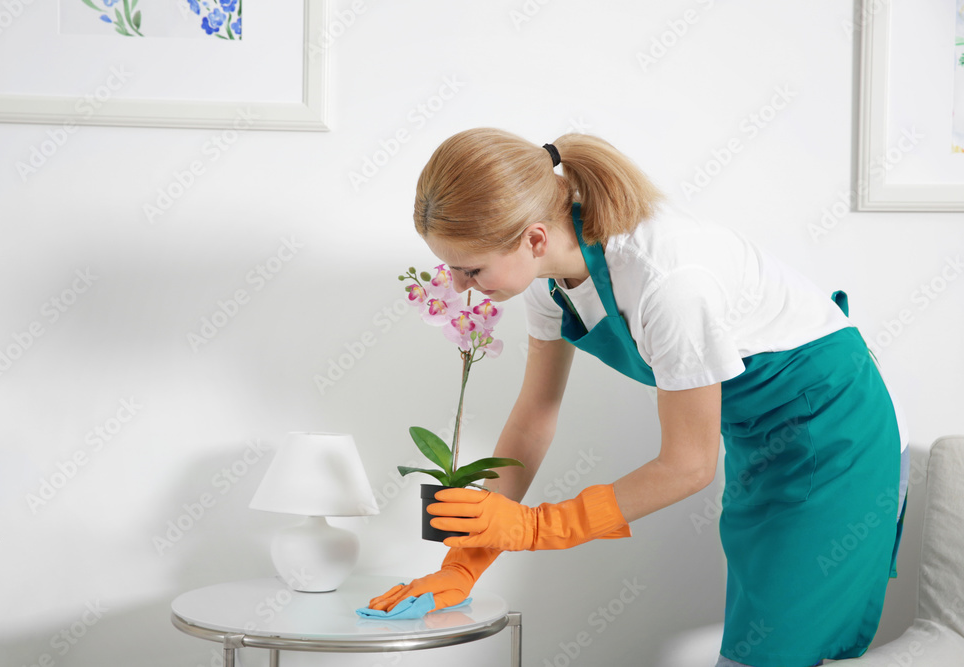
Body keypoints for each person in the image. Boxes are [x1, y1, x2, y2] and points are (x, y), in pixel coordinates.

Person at [368, 128, 908, 667]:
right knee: (761, 639)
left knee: (778, 649)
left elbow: (688, 465)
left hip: (837, 433)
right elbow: (534, 417)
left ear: (533, 238)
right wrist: (464, 563)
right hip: (758, 437)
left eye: (471, 269)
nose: (459, 286)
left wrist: (537, 527)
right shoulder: (546, 279)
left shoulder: (667, 281)